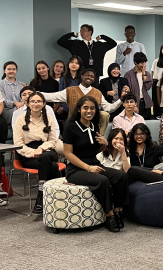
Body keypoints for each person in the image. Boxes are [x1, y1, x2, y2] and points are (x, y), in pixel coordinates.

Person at [63, 95, 129, 232]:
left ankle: (117, 211)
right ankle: (109, 216)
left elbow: (96, 149)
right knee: (103, 180)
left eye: (92, 108)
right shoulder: (70, 127)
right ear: (79, 109)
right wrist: (88, 168)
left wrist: (105, 144)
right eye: (85, 108)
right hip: (76, 170)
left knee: (121, 176)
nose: (89, 111)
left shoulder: (94, 125)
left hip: (94, 163)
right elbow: (68, 154)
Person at [40, 68, 125, 135]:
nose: (89, 77)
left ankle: (99, 138)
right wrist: (34, 93)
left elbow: (108, 108)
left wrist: (121, 99)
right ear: (82, 76)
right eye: (87, 75)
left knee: (104, 114)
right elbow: (52, 96)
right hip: (74, 123)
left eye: (92, 76)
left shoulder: (97, 93)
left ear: (94, 79)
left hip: (91, 123)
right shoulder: (70, 90)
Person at [13, 92, 60, 213]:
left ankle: (41, 194)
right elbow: (18, 144)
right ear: (28, 103)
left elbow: (52, 140)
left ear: (44, 104)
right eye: (33, 101)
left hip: (47, 150)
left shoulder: (48, 118)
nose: (36, 104)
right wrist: (34, 152)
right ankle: (54, 199)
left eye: (39, 101)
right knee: (52, 166)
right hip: (28, 155)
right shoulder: (20, 120)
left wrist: (41, 149)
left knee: (46, 157)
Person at [124, 52, 153, 120]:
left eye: (144, 62)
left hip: (145, 102)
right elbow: (127, 92)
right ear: (135, 62)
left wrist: (143, 73)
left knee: (147, 123)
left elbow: (147, 87)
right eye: (141, 63)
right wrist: (133, 105)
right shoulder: (128, 75)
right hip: (134, 102)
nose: (143, 65)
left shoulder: (147, 74)